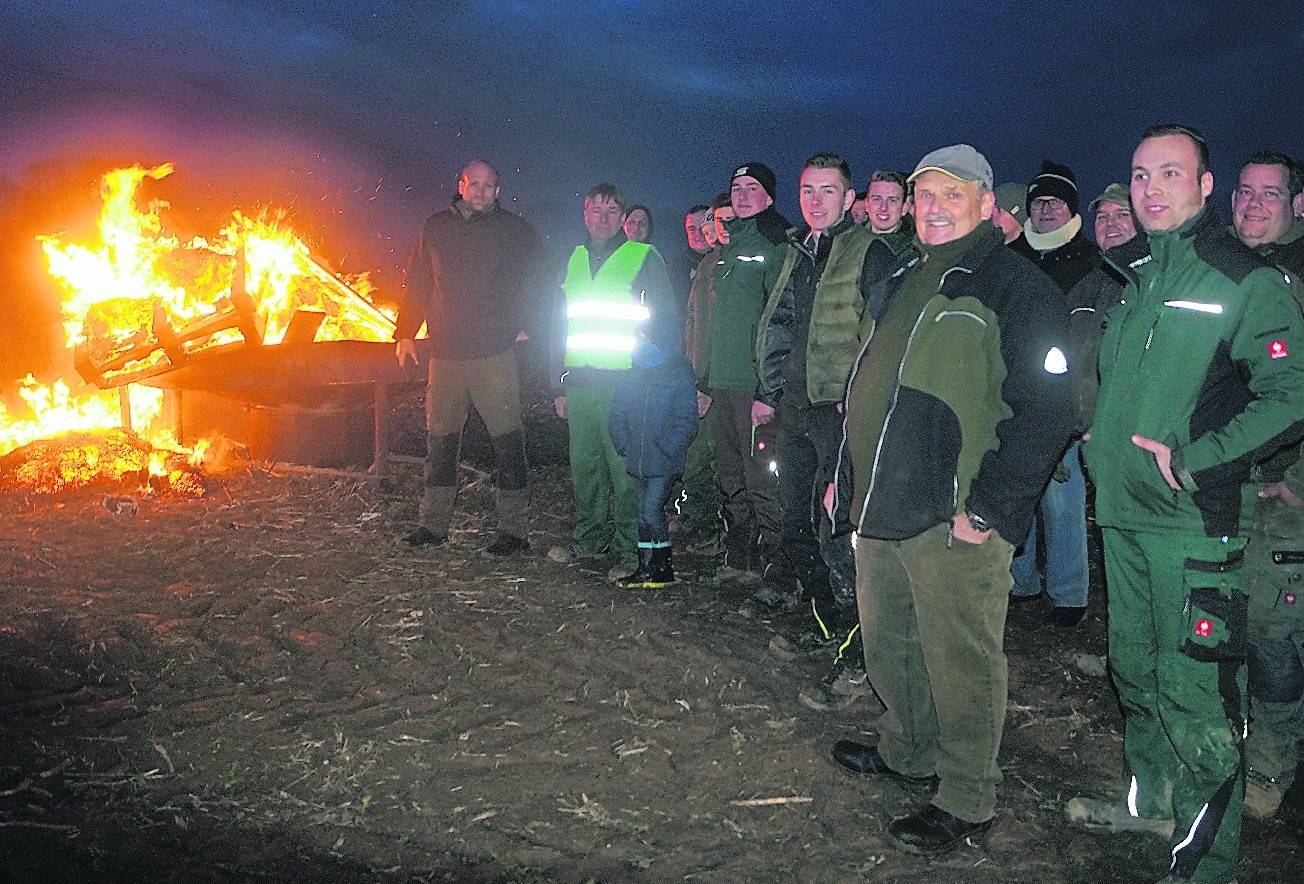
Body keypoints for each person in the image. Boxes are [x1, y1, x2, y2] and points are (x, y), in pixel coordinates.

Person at [1069, 124, 1304, 884]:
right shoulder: (1134, 273)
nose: (1150, 189)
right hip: (1125, 518)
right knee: (1133, 670)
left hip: (1193, 528)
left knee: (1197, 695)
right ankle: (1153, 805)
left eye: (1171, 173)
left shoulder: (1242, 279)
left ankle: (1205, 865)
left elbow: (1291, 393)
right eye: (1139, 175)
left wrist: (1199, 464)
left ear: (1207, 187)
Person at [829, 144, 1072, 855]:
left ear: (985, 203)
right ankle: (907, 751)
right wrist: (844, 481)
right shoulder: (905, 274)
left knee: (961, 660)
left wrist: (991, 508)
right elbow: (868, 381)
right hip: (882, 505)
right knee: (892, 641)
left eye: (951, 196)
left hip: (955, 514)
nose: (933, 208)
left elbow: (1048, 408)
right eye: (923, 195)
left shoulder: (1014, 286)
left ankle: (967, 796)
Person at [752, 153, 888, 711]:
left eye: (827, 191)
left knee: (840, 531)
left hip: (838, 414)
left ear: (849, 199)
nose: (815, 200)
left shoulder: (869, 253)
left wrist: (855, 410)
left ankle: (861, 652)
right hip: (795, 409)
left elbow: (876, 338)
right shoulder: (798, 252)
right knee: (797, 521)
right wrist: (771, 388)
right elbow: (781, 321)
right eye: (808, 190)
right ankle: (826, 620)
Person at [395, 159, 541, 555]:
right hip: (444, 354)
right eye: (473, 184)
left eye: (488, 185)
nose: (480, 191)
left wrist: (529, 323)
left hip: (494, 353)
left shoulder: (515, 232)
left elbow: (538, 280)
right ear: (460, 185)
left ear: (498, 190)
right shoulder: (435, 228)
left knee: (508, 441)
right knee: (440, 441)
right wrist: (405, 332)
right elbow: (419, 281)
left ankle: (513, 530)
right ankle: (433, 525)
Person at [547, 183, 677, 581]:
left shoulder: (643, 257)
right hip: (581, 384)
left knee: (624, 472)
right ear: (584, 213)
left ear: (622, 219)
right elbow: (558, 324)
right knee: (584, 466)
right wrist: (558, 384)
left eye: (611, 211)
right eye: (595, 210)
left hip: (626, 385)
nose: (602, 218)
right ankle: (589, 538)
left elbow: (667, 324)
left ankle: (627, 549)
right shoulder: (572, 259)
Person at [1229, 149, 1304, 822]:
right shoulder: (1234, 273)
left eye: (1269, 195)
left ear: (1297, 205)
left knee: (1273, 632)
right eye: (1243, 192)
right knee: (1239, 621)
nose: (1252, 204)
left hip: (1284, 497)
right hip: (1231, 484)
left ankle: (1274, 763)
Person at [1009, 160, 1102, 626]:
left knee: (1063, 500)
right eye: (1039, 201)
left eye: (1055, 201)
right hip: (1013, 398)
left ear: (1071, 209)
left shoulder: (1090, 260)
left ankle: (1069, 595)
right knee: (1016, 495)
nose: (1046, 209)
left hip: (1064, 402)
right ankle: (1020, 583)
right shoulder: (1014, 255)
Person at [699, 163, 788, 585]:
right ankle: (740, 558)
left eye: (753, 188)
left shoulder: (776, 244)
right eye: (736, 187)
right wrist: (704, 381)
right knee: (730, 474)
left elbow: (779, 320)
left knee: (762, 479)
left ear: (769, 197)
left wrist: (769, 390)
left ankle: (776, 571)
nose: (743, 194)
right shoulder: (729, 246)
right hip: (722, 382)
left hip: (754, 385)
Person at [608, 314, 699, 588]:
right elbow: (617, 413)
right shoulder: (633, 373)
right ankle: (646, 567)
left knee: (650, 512)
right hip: (638, 457)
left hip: (663, 461)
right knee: (643, 513)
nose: (638, 341)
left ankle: (662, 568)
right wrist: (625, 443)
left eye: (643, 337)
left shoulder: (677, 374)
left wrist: (667, 448)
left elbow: (686, 420)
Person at [864, 170, 914, 255]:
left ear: (905, 208)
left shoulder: (915, 249)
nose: (883, 207)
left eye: (892, 201)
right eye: (877, 199)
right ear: (867, 204)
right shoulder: (848, 242)